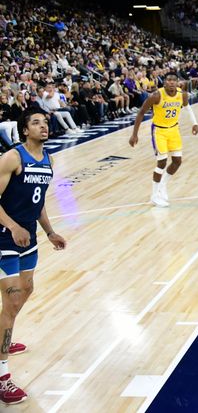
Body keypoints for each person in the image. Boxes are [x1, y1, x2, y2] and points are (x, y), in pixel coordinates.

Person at [0, 107, 67, 405]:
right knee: (12, 300)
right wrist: (12, 226)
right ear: (25, 130)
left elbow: (37, 201)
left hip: (29, 236)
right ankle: (2, 378)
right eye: (36, 122)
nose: (43, 126)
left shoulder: (48, 159)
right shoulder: (13, 157)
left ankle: (5, 332)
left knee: (26, 291)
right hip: (5, 235)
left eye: (45, 122)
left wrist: (50, 232)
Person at [128, 72, 198, 207]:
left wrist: (194, 123)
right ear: (165, 82)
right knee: (161, 162)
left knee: (177, 161)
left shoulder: (182, 94)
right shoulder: (156, 95)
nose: (171, 82)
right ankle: (154, 196)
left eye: (174, 80)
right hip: (159, 131)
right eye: (168, 80)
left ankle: (162, 185)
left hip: (174, 129)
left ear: (177, 82)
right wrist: (134, 134)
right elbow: (141, 112)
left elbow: (187, 107)